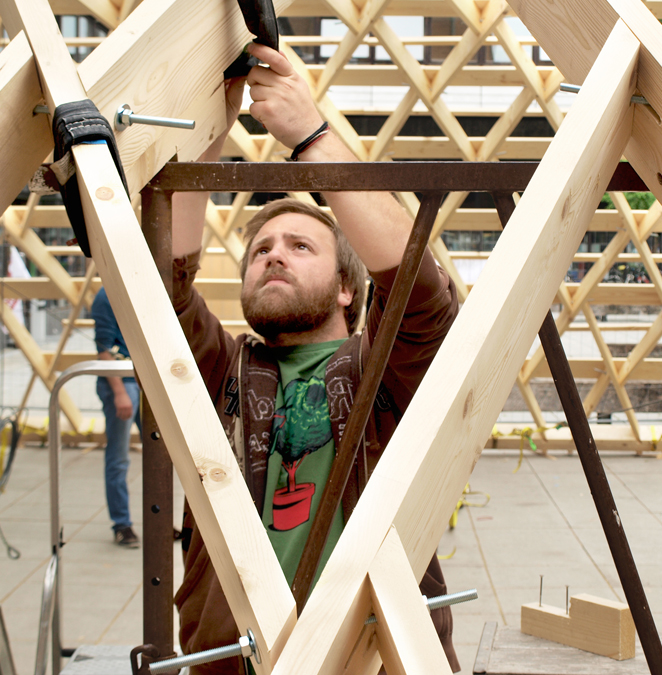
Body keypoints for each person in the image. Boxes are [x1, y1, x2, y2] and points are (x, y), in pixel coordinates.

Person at [170, 43, 460, 673]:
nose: (273, 254)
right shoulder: (221, 369)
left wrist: (311, 137)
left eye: (301, 245)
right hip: (232, 659)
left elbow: (419, 289)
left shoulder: (382, 368)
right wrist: (205, 130)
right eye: (260, 249)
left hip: (379, 658)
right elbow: (160, 288)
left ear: (347, 287)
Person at [92, 286, 141, 548]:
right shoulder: (106, 296)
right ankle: (122, 524)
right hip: (122, 383)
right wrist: (119, 392)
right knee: (119, 458)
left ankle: (160, 520)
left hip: (144, 381)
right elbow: (104, 349)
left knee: (160, 458)